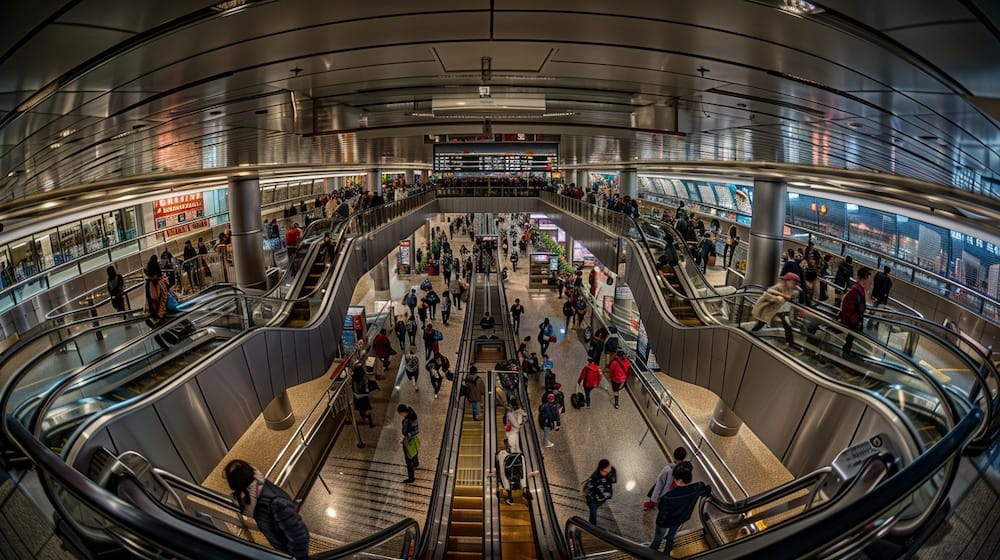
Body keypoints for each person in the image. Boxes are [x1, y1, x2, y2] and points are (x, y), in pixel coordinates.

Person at [224, 459, 310, 559]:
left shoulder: (275, 503)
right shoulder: (254, 494)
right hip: (285, 551)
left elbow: (298, 535)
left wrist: (296, 557)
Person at [650, 462, 711, 555]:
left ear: (679, 481)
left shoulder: (668, 498)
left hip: (666, 523)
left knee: (658, 538)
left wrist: (659, 523)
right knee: (671, 535)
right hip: (680, 519)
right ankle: (667, 552)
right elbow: (707, 491)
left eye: (674, 478)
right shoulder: (698, 486)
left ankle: (652, 553)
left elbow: (662, 518)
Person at [750, 272, 800, 347]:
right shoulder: (779, 287)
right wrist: (777, 299)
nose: (794, 284)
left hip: (783, 311)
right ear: (787, 280)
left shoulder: (792, 290)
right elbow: (766, 294)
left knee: (787, 326)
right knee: (762, 322)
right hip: (774, 310)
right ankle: (751, 333)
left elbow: (791, 300)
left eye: (795, 283)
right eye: (793, 282)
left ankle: (790, 343)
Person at [840, 267, 873, 356]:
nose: (870, 282)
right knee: (851, 337)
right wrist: (854, 318)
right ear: (863, 279)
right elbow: (846, 305)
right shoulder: (855, 290)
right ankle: (846, 352)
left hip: (855, 320)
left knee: (851, 338)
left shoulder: (860, 290)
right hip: (852, 320)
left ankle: (847, 350)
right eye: (869, 279)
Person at [584, 459, 617, 526]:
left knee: (596, 509)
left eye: (609, 467)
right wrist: (597, 495)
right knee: (593, 513)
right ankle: (592, 527)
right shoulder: (595, 477)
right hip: (593, 500)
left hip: (602, 497)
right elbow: (590, 487)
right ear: (601, 470)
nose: (609, 469)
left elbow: (614, 480)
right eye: (606, 469)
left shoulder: (611, 470)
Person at [398, 405, 420, 483]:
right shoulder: (410, 416)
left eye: (400, 413)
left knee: (408, 460)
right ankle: (416, 463)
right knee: (414, 452)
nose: (400, 415)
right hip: (410, 439)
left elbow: (416, 431)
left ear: (404, 412)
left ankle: (411, 478)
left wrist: (406, 437)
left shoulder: (411, 419)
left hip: (409, 441)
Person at [144, 257, 169, 327]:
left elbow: (163, 299)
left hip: (160, 315)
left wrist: (159, 315)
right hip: (157, 315)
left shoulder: (159, 282)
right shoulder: (151, 282)